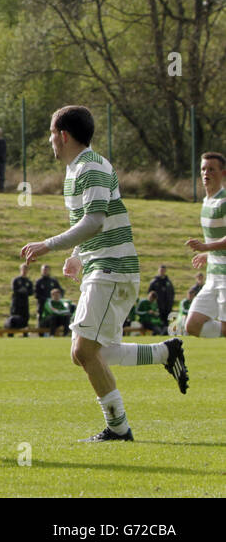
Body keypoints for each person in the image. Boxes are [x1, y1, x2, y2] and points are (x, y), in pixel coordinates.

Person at [20, 104, 187, 443]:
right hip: (103, 267)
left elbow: (95, 220)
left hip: (113, 268)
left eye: (51, 133)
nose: (49, 140)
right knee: (87, 353)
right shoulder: (77, 169)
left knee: (84, 352)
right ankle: (165, 352)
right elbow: (96, 221)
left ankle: (118, 428)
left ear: (63, 135)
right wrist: (77, 254)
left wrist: (49, 245)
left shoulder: (91, 167)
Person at [182, 152, 226, 340]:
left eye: (211, 169)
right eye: (203, 169)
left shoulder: (224, 201)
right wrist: (208, 254)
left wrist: (206, 248)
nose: (206, 173)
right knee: (192, 325)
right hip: (213, 276)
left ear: (223, 173)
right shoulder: (207, 201)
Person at [148, 264, 176, 328]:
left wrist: (171, 303)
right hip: (157, 305)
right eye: (161, 270)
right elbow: (149, 293)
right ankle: (159, 332)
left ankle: (165, 332)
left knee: (166, 321)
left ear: (165, 271)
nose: (162, 271)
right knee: (159, 321)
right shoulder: (154, 282)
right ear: (158, 271)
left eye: (163, 270)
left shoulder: (168, 282)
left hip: (167, 305)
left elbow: (172, 293)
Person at [9, 262, 35, 328]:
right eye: (23, 269)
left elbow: (31, 292)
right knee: (13, 318)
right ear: (20, 270)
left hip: (25, 303)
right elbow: (14, 289)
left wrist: (25, 291)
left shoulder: (29, 282)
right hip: (16, 303)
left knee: (25, 318)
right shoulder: (16, 280)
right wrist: (21, 291)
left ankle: (25, 335)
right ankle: (11, 334)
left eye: (26, 269)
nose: (24, 271)